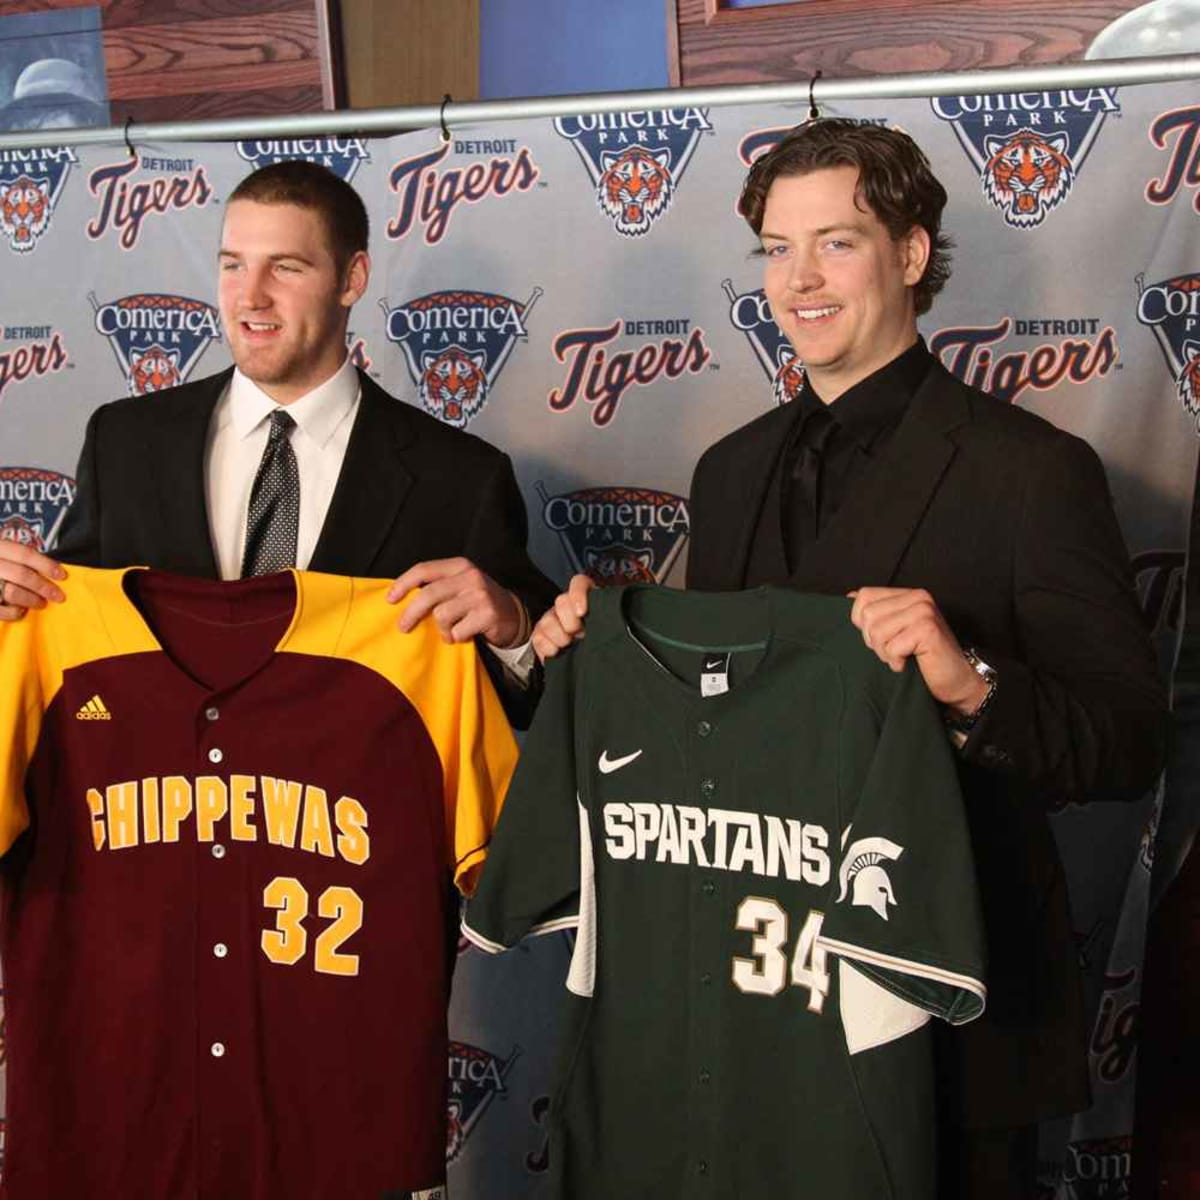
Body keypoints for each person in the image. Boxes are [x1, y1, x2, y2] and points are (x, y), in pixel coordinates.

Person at [532, 118, 1167, 1199]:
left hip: (951, 1006)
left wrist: (968, 683)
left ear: (912, 256)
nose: (799, 281)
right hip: (756, 1007)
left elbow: (1126, 746)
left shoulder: (1034, 472)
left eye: (836, 243)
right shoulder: (727, 471)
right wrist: (572, 652)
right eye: (778, 250)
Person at [0, 159, 556, 719]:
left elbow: (537, 700)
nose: (251, 296)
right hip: (150, 800)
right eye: (233, 265)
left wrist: (513, 630)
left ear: (352, 278)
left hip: (361, 803)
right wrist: (11, 603)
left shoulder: (461, 478)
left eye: (285, 268)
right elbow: (60, 638)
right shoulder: (122, 442)